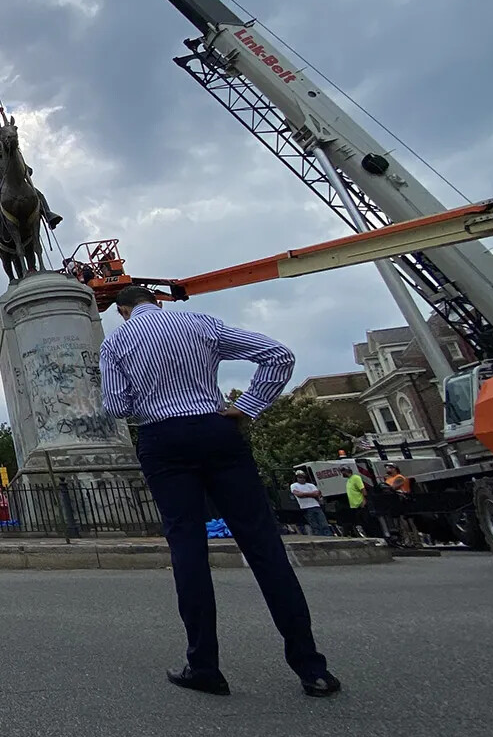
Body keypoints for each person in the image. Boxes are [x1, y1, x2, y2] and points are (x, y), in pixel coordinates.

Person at [99, 285, 339, 698]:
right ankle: (311, 667)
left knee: (187, 549)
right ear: (156, 302)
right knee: (264, 545)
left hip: (162, 439)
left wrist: (153, 402)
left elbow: (116, 405)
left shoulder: (116, 342)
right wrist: (248, 405)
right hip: (216, 429)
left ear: (122, 311)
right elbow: (278, 355)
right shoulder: (199, 322)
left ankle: (204, 666)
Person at [290, 468, 330, 537]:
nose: (302, 479)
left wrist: (305, 494)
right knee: (314, 525)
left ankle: (328, 536)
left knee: (324, 524)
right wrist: (311, 494)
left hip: (316, 506)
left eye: (303, 477)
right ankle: (319, 537)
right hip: (305, 508)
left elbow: (317, 493)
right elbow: (299, 495)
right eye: (300, 477)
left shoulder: (311, 485)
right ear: (296, 478)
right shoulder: (294, 485)